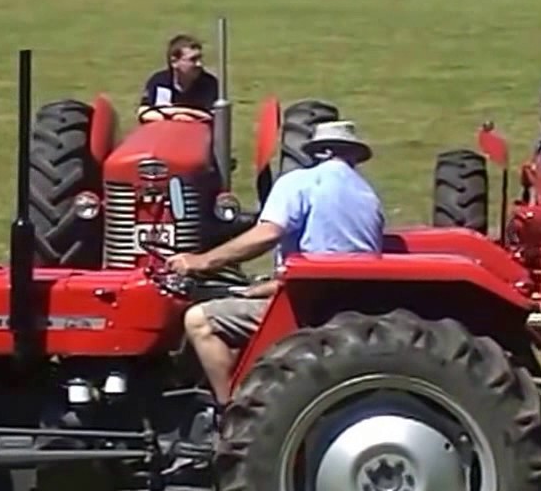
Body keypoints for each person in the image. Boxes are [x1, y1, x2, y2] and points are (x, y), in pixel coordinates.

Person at [165, 120, 386, 406]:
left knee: (200, 320)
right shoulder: (369, 197)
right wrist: (264, 288)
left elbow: (268, 234)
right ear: (354, 156)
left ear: (320, 153)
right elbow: (334, 259)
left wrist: (201, 261)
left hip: (306, 307)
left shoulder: (302, 182)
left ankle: (228, 409)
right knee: (238, 302)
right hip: (347, 303)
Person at [137, 34, 219, 123]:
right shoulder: (159, 81)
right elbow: (145, 113)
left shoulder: (209, 84)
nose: (199, 64)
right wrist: (183, 113)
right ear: (174, 62)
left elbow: (209, 117)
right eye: (193, 59)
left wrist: (173, 112)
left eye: (200, 58)